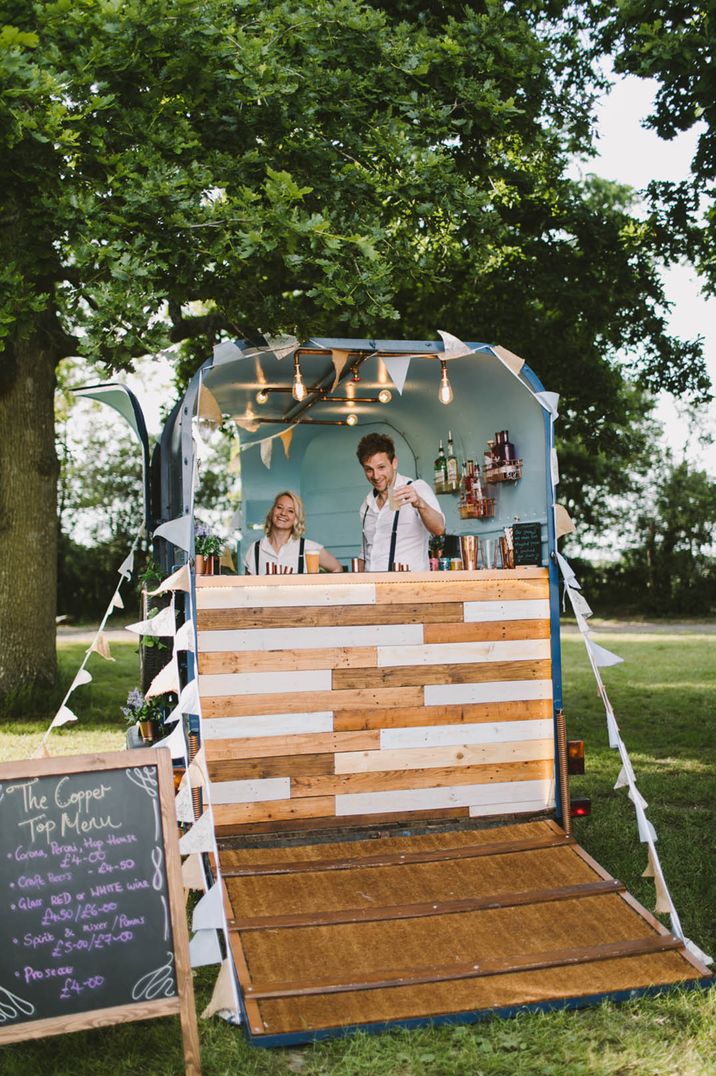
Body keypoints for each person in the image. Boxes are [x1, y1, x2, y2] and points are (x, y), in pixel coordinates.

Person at [357, 432, 445, 572]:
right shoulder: (366, 505)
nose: (376, 476)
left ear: (394, 462)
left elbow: (439, 528)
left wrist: (420, 503)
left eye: (381, 467)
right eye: (369, 470)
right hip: (373, 588)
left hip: (409, 587)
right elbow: (366, 552)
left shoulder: (417, 488)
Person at [244, 490, 343, 574]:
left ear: (296, 518)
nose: (283, 513)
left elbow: (337, 568)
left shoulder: (310, 549)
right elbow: (246, 590)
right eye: (279, 507)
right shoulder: (255, 549)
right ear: (272, 511)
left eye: (290, 511)